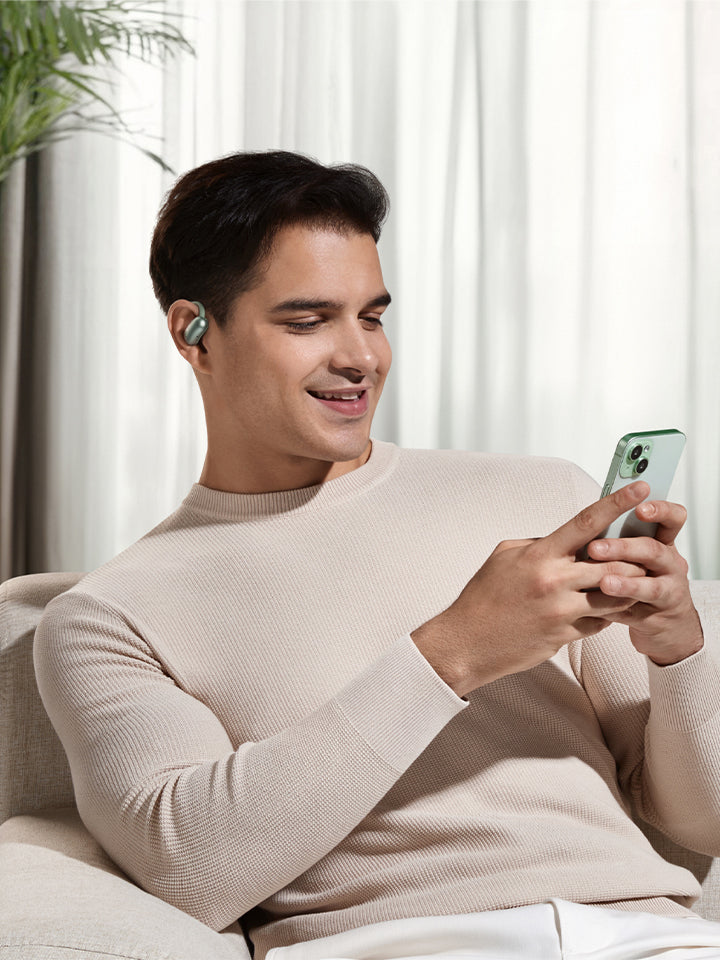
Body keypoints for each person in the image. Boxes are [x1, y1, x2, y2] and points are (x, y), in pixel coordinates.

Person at [34, 151, 720, 960]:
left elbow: (700, 823)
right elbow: (192, 870)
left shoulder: (540, 496)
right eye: (307, 321)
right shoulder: (110, 615)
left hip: (651, 938)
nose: (360, 358)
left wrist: (678, 654)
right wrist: (456, 651)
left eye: (372, 316)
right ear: (193, 332)